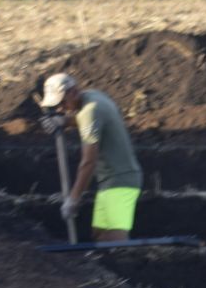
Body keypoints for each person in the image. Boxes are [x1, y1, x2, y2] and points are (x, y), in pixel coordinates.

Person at [37, 73, 144, 242]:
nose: (60, 109)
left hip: (120, 182)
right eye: (57, 105)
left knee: (115, 238)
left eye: (63, 103)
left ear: (74, 92)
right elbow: (90, 119)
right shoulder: (93, 96)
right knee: (100, 235)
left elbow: (88, 162)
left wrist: (73, 199)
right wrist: (65, 121)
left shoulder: (90, 111)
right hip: (111, 181)